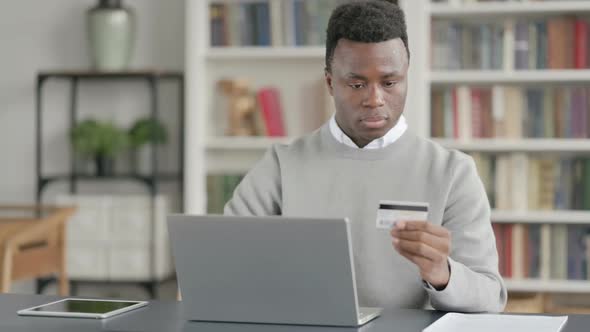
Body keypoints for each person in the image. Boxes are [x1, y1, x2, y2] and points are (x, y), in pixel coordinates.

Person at [225, 0, 507, 312]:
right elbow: (225, 261)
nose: (374, 99)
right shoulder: (281, 165)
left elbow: (490, 296)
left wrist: (443, 275)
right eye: (357, 84)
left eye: (390, 82)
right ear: (331, 83)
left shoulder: (452, 172)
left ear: (406, 77)